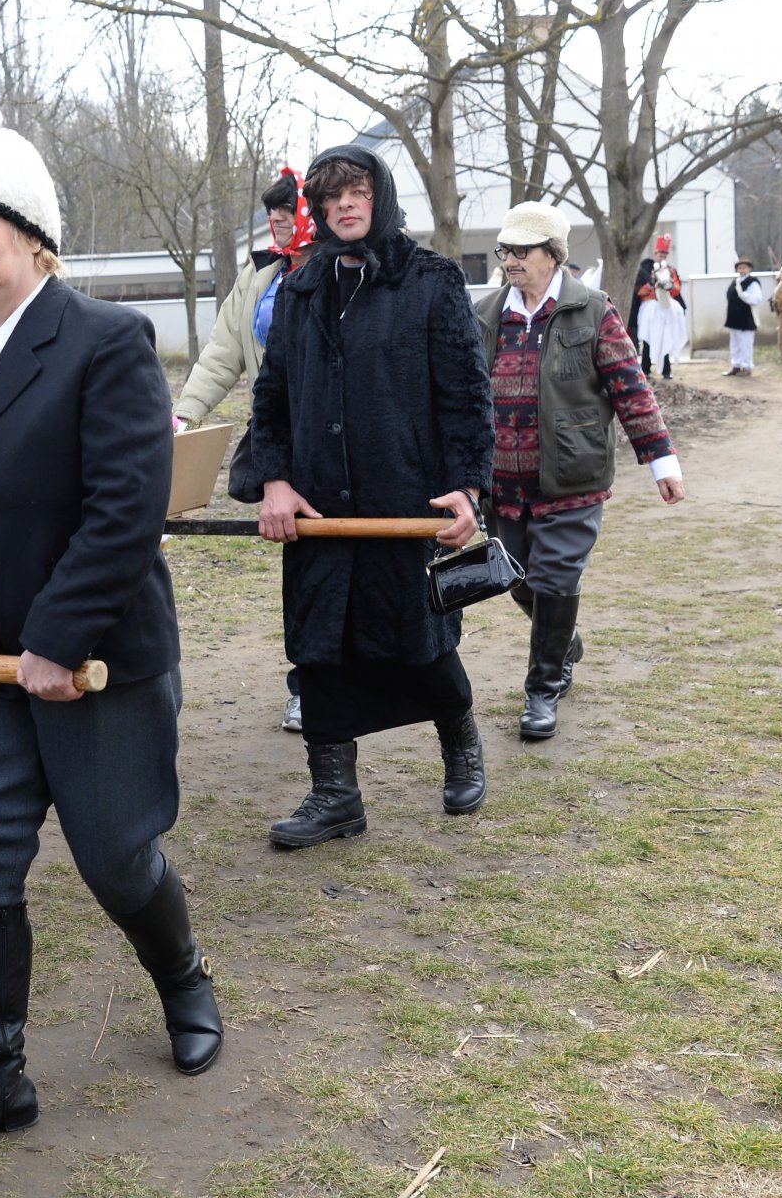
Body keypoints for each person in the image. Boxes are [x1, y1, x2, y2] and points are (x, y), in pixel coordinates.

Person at [0, 126, 222, 1162]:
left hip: (96, 661)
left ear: (32, 234)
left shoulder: (104, 341)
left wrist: (55, 638)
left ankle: (184, 977)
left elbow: (126, 508)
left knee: (116, 858)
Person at [241, 145, 494, 848]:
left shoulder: (432, 282)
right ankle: (334, 797)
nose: (345, 205)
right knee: (319, 648)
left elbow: (467, 398)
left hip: (405, 501)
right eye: (331, 196)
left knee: (421, 640)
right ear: (317, 210)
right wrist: (276, 480)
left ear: (379, 197)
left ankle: (461, 745)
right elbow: (272, 400)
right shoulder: (300, 290)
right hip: (320, 510)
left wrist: (469, 488)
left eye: (357, 191)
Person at [472, 202, 685, 741]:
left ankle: (542, 688)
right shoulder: (489, 314)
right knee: (514, 577)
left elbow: (630, 388)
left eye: (522, 251)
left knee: (557, 577)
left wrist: (661, 459)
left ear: (553, 255)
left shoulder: (593, 311)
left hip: (572, 477)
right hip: (505, 480)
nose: (511, 261)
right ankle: (563, 641)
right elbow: (466, 395)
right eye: (506, 251)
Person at [174, 167, 317, 733]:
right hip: (281, 445)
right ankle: (307, 683)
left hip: (340, 447)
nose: (277, 220)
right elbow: (222, 352)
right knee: (303, 563)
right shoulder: (262, 278)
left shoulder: (339, 271)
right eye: (271, 212)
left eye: (286, 209)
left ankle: (347, 678)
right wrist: (185, 413)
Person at [631, 234, 688, 379]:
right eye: (660, 253)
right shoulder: (645, 269)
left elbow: (676, 289)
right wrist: (651, 285)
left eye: (665, 253)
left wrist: (667, 284)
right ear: (655, 253)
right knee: (648, 339)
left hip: (666, 307)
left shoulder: (671, 270)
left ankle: (666, 370)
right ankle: (646, 368)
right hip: (650, 309)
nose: (662, 256)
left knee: (666, 337)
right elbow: (639, 291)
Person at [724, 258, 764, 377]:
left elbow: (756, 298)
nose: (742, 270)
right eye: (740, 268)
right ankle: (736, 365)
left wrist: (743, 296)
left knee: (745, 343)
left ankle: (747, 366)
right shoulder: (736, 281)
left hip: (746, 317)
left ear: (749, 269)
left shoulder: (753, 282)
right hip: (734, 317)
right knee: (734, 343)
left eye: (744, 267)